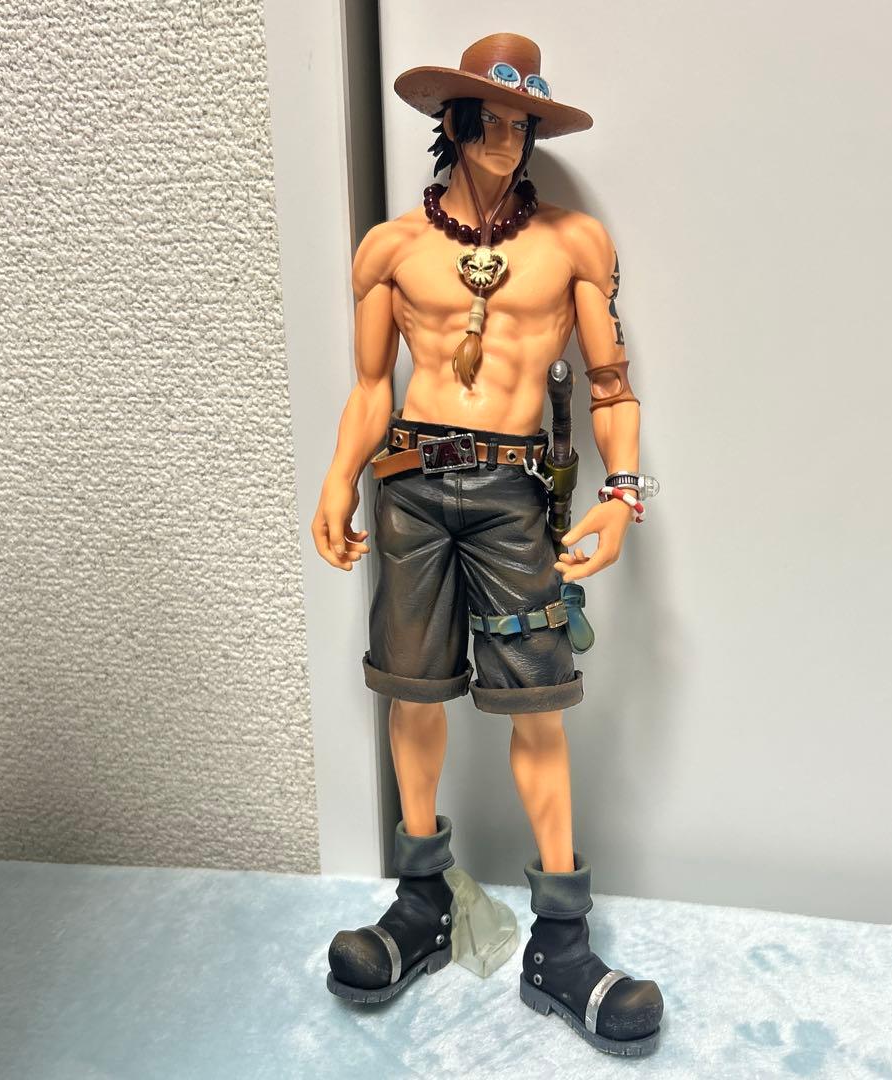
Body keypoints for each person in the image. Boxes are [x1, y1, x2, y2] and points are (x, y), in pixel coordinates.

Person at [312, 32, 663, 1056]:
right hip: (412, 488)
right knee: (412, 692)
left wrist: (624, 494)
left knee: (537, 704)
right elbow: (370, 387)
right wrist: (337, 477)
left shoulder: (573, 243)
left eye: (524, 122)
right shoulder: (390, 249)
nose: (510, 137)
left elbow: (611, 388)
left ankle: (562, 941)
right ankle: (422, 904)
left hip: (515, 495)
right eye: (492, 118)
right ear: (453, 123)